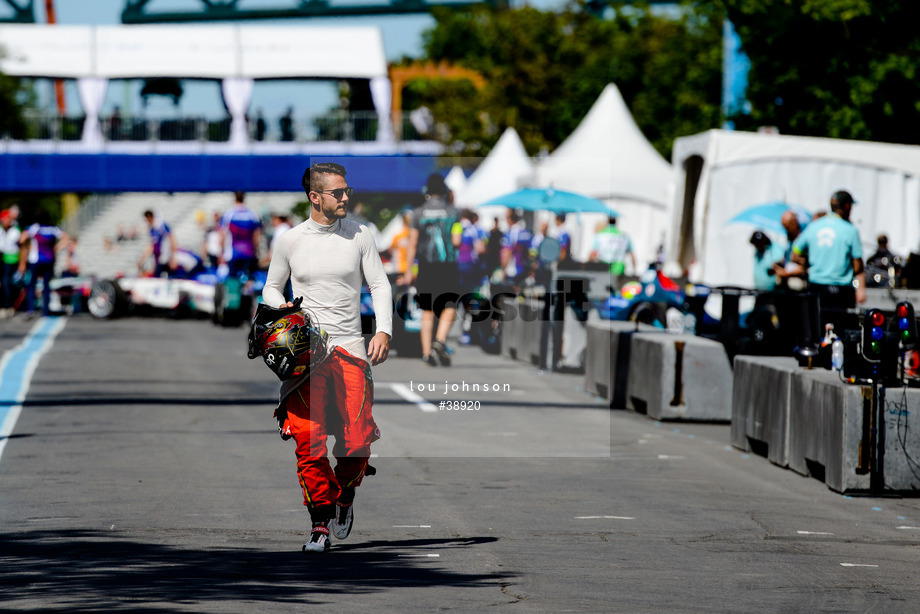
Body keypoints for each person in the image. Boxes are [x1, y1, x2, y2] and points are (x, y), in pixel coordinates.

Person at [262, 162, 392, 553]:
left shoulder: (360, 236)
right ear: (314, 197)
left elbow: (379, 284)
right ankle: (319, 523)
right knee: (309, 441)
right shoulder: (289, 240)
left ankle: (345, 497)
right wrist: (281, 307)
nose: (346, 198)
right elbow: (270, 287)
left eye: (347, 190)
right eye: (338, 193)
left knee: (355, 440)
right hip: (306, 357)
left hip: (351, 349)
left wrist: (383, 329)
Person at [397, 173, 462, 367]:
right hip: (447, 266)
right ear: (444, 191)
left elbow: (413, 243)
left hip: (425, 266)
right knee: (449, 305)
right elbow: (456, 241)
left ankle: (426, 353)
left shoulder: (418, 213)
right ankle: (440, 341)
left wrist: (409, 270)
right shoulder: (453, 212)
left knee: (427, 309)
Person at [792, 189, 866, 311]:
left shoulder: (814, 226)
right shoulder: (850, 230)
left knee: (818, 326)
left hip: (815, 286)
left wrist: (807, 262)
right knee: (840, 327)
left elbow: (795, 253)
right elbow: (858, 267)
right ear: (847, 206)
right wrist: (861, 290)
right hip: (841, 290)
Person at [18, 209, 69, 318]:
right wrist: (56, 248)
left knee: (31, 285)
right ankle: (45, 310)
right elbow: (66, 238)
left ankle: (30, 309)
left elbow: (22, 239)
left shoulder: (34, 228)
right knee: (46, 286)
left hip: (35, 260)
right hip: (49, 260)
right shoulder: (53, 229)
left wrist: (26, 248)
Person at [219, 191, 262, 279]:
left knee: (233, 279)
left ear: (234, 198)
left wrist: (221, 252)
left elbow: (223, 234)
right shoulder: (252, 214)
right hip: (249, 252)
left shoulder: (229, 214)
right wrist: (256, 250)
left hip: (233, 253)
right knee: (248, 278)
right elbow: (257, 235)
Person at [770, 210, 806, 290]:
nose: (785, 229)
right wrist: (779, 264)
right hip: (788, 281)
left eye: (787, 226)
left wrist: (786, 273)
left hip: (799, 283)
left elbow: (805, 266)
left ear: (794, 222)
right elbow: (788, 256)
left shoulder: (805, 235)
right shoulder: (790, 236)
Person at [138, 210, 178, 277]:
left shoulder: (162, 226)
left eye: (146, 219)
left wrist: (173, 257)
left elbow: (172, 240)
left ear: (149, 217)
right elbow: (152, 245)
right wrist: (142, 258)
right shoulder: (152, 229)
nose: (146, 221)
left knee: (161, 276)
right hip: (159, 258)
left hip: (166, 257)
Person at [0, 209, 21, 317]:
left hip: (12, 260)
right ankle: (4, 305)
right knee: (4, 283)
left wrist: (22, 264)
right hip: (2, 259)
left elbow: (22, 246)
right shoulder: (1, 230)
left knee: (8, 283)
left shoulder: (15, 231)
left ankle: (8, 306)